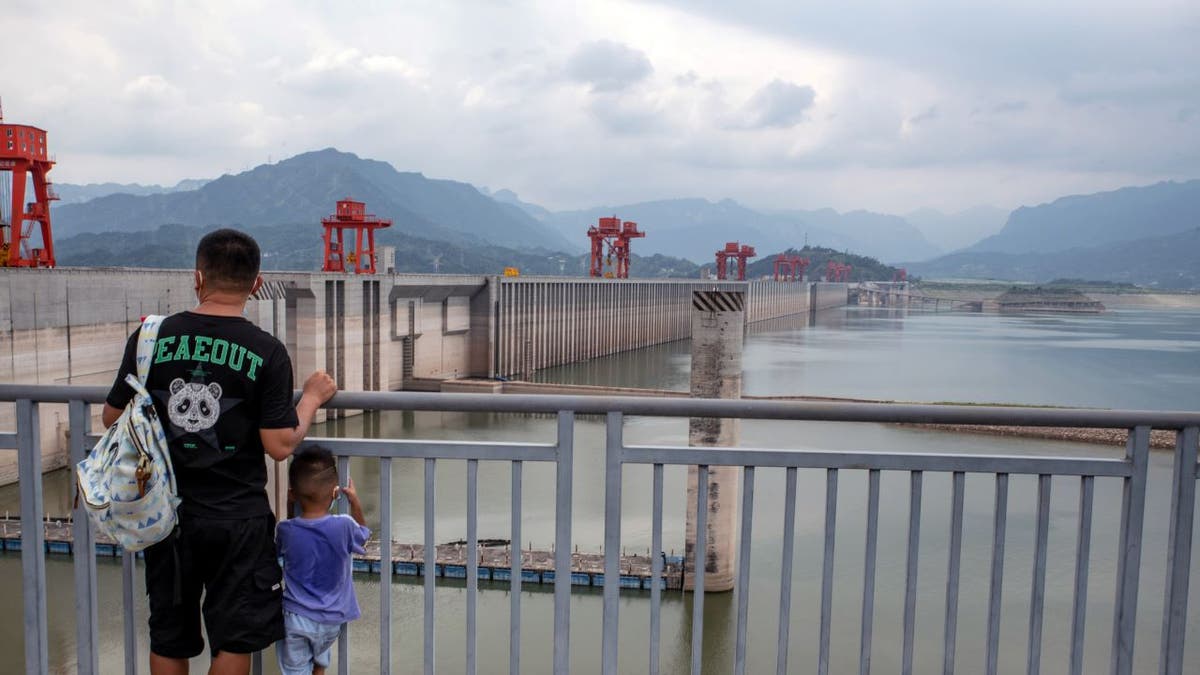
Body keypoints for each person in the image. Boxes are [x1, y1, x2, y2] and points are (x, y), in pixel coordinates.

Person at [102, 228, 337, 675]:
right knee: (235, 639)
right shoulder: (266, 350)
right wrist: (309, 398)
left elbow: (112, 418)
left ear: (198, 277)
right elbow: (279, 445)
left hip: (164, 515)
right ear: (255, 283)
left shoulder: (150, 339)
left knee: (170, 636)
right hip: (237, 519)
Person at [274, 445, 370, 675]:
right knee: (319, 664)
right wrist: (355, 501)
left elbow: (282, 550)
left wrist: (289, 504)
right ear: (335, 493)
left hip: (296, 618)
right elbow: (364, 536)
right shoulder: (344, 526)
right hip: (331, 620)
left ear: (293, 493)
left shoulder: (286, 530)